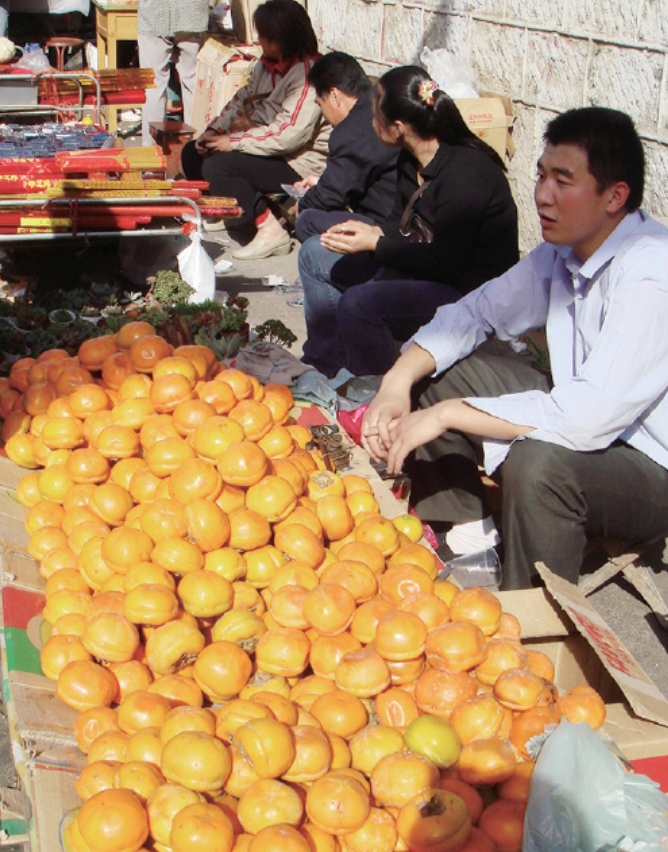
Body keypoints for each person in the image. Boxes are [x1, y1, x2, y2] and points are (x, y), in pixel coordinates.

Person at [361, 106, 668, 591]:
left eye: (563, 182)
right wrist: (396, 383)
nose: (542, 196)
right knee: (439, 371)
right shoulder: (563, 251)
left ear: (615, 196)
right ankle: (468, 538)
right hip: (583, 411)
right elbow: (474, 313)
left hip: (650, 465)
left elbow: (586, 418)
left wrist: (448, 415)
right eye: (541, 175)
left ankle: (534, 614)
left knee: (540, 464)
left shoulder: (651, 274)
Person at [298, 65, 518, 379]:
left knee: (359, 304)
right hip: (419, 266)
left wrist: (377, 244)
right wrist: (370, 232)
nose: (371, 123)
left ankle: (376, 392)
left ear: (398, 126)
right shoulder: (409, 159)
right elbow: (399, 225)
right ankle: (326, 365)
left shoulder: (467, 173)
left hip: (467, 294)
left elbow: (447, 263)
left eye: (376, 117)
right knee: (313, 254)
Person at [181, 0, 329, 260]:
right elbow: (241, 98)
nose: (259, 41)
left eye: (263, 36)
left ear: (280, 39)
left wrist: (233, 142)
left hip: (298, 161)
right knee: (193, 153)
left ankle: (270, 230)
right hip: (263, 143)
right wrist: (214, 131)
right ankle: (225, 210)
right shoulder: (266, 64)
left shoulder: (309, 74)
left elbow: (289, 135)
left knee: (220, 167)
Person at [291, 51, 398, 242]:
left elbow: (329, 197)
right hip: (405, 210)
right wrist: (320, 183)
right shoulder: (377, 107)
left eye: (320, 104)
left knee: (307, 221)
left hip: (388, 225)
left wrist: (302, 205)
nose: (323, 114)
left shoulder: (351, 131)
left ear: (334, 95)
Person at [138, 0, 210, 147]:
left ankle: (152, 154)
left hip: (154, 14)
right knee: (193, 82)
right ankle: (196, 149)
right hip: (192, 13)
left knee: (153, 85)